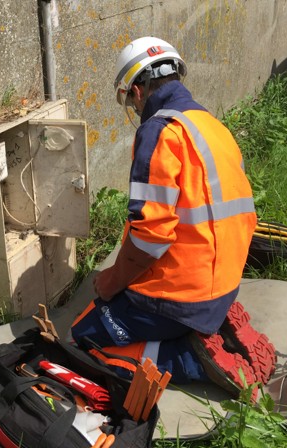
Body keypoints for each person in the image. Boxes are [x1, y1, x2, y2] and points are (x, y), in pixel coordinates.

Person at [71, 36, 276, 394]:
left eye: (131, 103)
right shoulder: (215, 128)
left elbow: (149, 237)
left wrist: (112, 282)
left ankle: (189, 358)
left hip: (179, 298)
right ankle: (208, 324)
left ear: (137, 91)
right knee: (124, 303)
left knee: (85, 336)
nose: (135, 111)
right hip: (223, 285)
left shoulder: (159, 131)